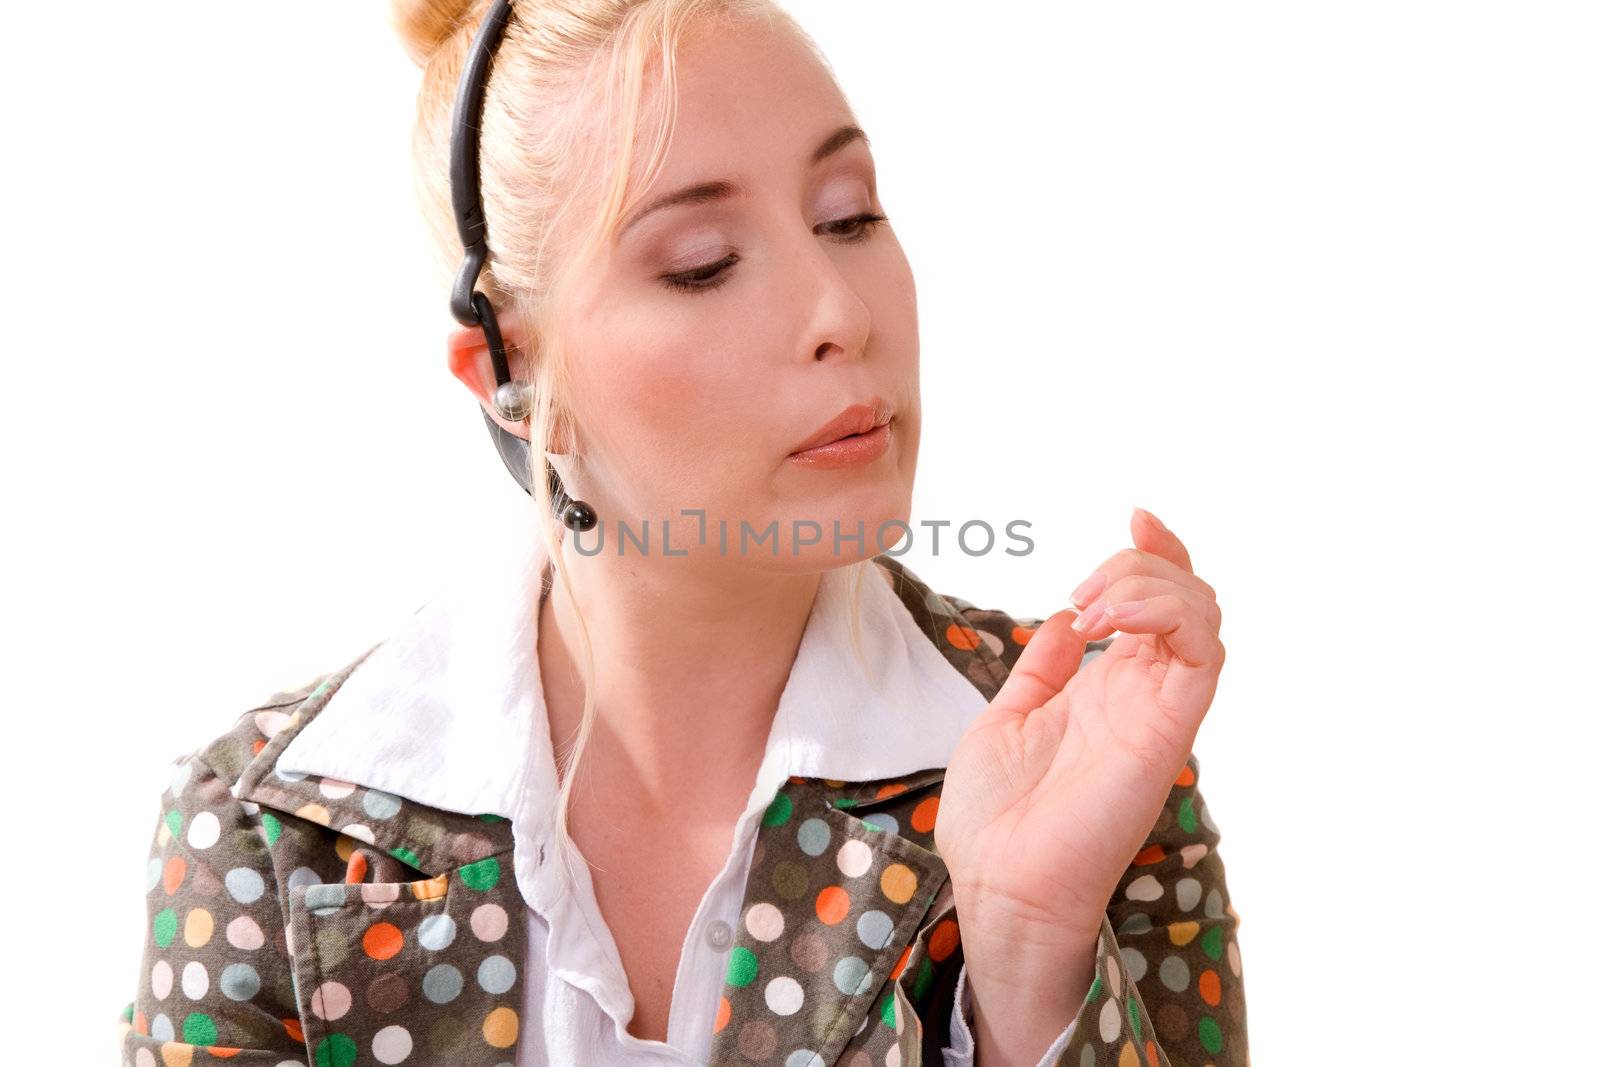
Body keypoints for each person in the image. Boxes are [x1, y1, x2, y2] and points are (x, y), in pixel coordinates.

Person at [116, 2, 1247, 1065]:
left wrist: (1030, 951)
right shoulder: (268, 832)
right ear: (511, 377)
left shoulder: (1075, 752)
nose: (840, 314)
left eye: (848, 216)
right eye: (702, 264)